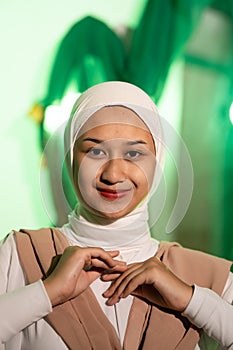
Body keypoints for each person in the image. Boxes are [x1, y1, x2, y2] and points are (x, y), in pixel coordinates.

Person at [0, 81, 233, 350]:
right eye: (95, 151)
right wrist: (46, 292)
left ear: (157, 162)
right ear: (71, 158)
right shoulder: (21, 254)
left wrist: (192, 301)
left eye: (134, 153)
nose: (113, 175)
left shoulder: (208, 277)